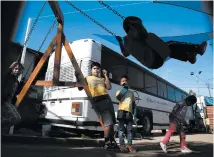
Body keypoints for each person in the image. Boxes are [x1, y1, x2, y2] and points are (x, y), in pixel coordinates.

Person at [116, 16, 207, 69]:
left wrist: (120, 42)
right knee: (170, 45)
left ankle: (189, 57)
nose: (141, 26)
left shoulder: (126, 42)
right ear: (131, 25)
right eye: (139, 24)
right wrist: (136, 25)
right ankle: (197, 48)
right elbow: (143, 34)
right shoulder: (134, 33)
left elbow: (125, 53)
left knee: (168, 49)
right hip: (155, 58)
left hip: (153, 63)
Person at [76, 62, 119, 150]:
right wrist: (77, 77)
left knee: (112, 123)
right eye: (94, 68)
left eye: (98, 68)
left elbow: (109, 87)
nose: (96, 70)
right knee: (108, 123)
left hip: (107, 99)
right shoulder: (87, 78)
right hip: (98, 100)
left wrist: (106, 75)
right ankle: (107, 143)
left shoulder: (102, 79)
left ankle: (112, 141)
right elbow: (80, 88)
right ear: (91, 70)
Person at [116, 75, 137, 153]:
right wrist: (125, 88)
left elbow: (134, 104)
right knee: (121, 130)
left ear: (128, 82)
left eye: (125, 81)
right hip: (121, 112)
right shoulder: (119, 91)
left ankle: (129, 145)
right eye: (122, 81)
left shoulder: (131, 93)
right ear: (120, 83)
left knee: (130, 130)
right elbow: (119, 98)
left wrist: (135, 115)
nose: (124, 82)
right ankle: (122, 145)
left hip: (129, 113)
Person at [1, 62, 24, 130]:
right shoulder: (8, 76)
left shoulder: (17, 81)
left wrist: (22, 84)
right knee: (15, 118)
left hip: (9, 102)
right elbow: (9, 70)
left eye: (19, 69)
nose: (17, 70)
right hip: (3, 100)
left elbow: (17, 92)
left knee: (17, 118)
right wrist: (15, 63)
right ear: (12, 69)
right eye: (16, 69)